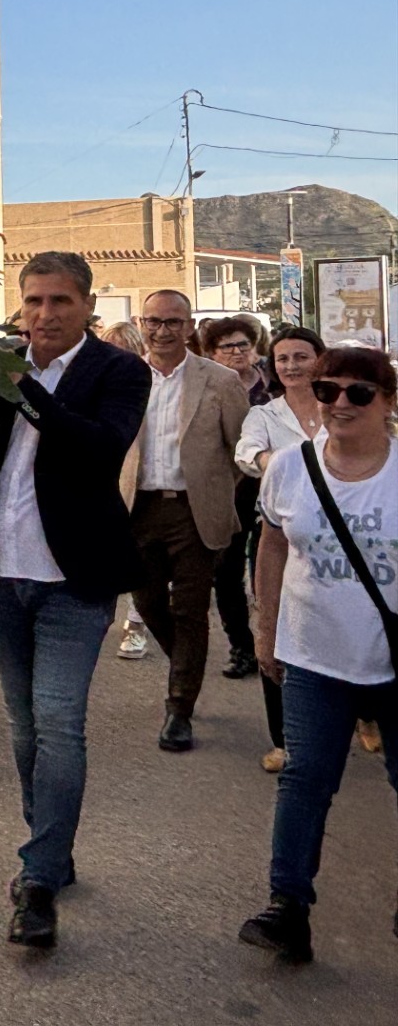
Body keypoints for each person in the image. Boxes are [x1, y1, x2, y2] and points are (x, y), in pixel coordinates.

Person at [0, 251, 150, 950]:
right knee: (23, 727)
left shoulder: (119, 372)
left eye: (59, 302)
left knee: (59, 724)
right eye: (33, 303)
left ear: (86, 307)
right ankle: (51, 846)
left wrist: (25, 389)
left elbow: (98, 447)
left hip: (72, 579)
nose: (44, 316)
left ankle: (39, 878)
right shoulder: (0, 363)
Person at [240, 346, 398, 964]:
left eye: (360, 393)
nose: (340, 403)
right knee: (305, 781)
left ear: (388, 402)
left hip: (392, 658)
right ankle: (287, 909)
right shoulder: (289, 467)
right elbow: (273, 545)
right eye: (329, 390)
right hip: (313, 654)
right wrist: (265, 628)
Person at [129, 290, 252, 752]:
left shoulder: (218, 379)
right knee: (146, 603)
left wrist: (212, 489)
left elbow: (239, 450)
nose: (162, 331)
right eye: (154, 321)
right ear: (143, 324)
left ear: (189, 325)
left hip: (193, 510)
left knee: (190, 608)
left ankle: (180, 707)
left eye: (173, 322)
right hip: (138, 508)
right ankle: (187, 664)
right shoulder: (125, 375)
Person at [236, 326, 329, 773]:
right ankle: (284, 739)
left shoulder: (341, 406)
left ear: (320, 359)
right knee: (273, 627)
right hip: (279, 534)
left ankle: (367, 713)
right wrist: (280, 462)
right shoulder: (265, 415)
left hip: (340, 536)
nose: (292, 366)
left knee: (344, 621)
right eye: (283, 359)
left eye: (301, 357)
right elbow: (246, 453)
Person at [203, 315, 273, 681]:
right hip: (226, 490)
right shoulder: (207, 386)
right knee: (226, 572)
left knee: (268, 572)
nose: (236, 352)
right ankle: (241, 647)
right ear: (212, 352)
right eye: (227, 346)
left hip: (269, 489)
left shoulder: (271, 382)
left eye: (242, 344)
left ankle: (274, 645)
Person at [101, 322, 153, 659]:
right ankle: (101, 617)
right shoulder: (96, 381)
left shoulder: (145, 384)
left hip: (137, 483)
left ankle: (136, 625)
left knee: (139, 557)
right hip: (102, 483)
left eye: (124, 348)